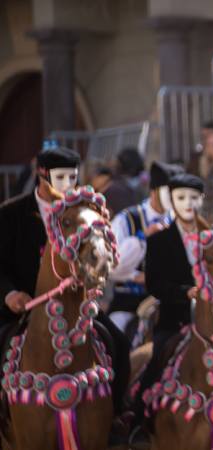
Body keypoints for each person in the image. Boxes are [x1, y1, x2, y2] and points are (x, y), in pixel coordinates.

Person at [0, 146, 131, 439]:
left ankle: (120, 415)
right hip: (23, 306)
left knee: (118, 341)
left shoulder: (85, 211)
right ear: (41, 176)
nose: (68, 185)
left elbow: (97, 258)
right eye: (60, 177)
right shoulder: (10, 214)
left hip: (77, 308)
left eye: (73, 177)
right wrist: (9, 295)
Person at [131, 173, 205, 431]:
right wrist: (185, 292)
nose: (188, 203)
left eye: (194, 197)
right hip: (175, 321)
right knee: (157, 361)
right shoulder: (158, 240)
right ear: (171, 201)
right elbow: (154, 284)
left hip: (212, 321)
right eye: (181, 197)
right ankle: (138, 422)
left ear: (202, 200)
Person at [107, 161, 184, 334]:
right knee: (116, 334)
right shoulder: (126, 219)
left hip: (168, 300)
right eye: (168, 192)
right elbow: (112, 266)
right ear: (154, 190)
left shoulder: (179, 222)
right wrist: (143, 238)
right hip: (129, 301)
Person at [103, 147, 146, 216]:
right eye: (137, 173)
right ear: (132, 170)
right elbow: (131, 217)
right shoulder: (118, 191)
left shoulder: (115, 186)